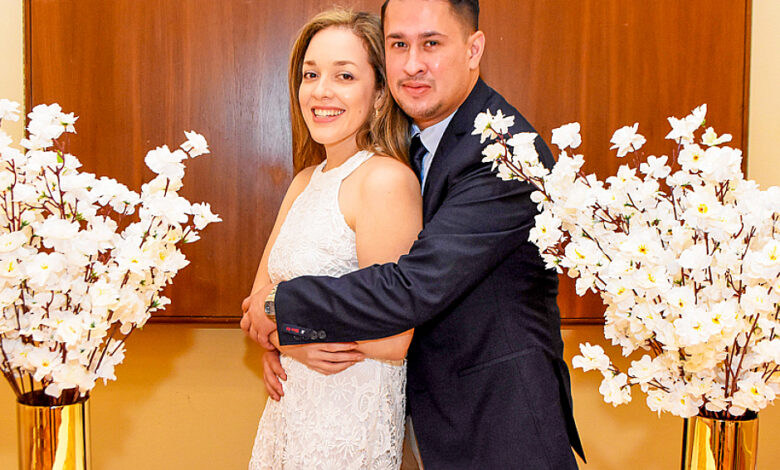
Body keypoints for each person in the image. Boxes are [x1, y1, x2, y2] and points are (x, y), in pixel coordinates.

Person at [242, 0, 586, 468]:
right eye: (399, 45)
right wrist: (287, 337)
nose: (412, 63)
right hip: (411, 420)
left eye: (431, 43)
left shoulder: (504, 153)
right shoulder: (408, 140)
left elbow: (411, 288)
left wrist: (280, 309)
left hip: (497, 428)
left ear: (473, 49)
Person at [244, 8, 422, 469]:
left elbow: (394, 337)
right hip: (291, 416)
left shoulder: (385, 180)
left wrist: (288, 338)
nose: (321, 91)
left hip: (348, 426)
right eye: (311, 74)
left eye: (344, 75)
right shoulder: (305, 181)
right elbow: (254, 309)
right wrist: (285, 339)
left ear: (379, 94)